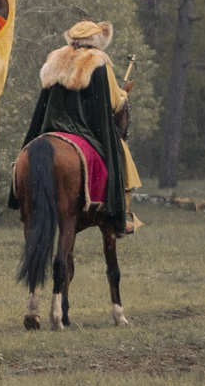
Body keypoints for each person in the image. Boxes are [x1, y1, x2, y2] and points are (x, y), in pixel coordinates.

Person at [19, 19, 142, 236]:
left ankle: (15, 197)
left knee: (25, 153)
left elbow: (45, 102)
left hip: (50, 126)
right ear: (97, 41)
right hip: (84, 130)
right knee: (120, 157)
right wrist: (123, 95)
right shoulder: (98, 62)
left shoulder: (55, 59)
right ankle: (118, 217)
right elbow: (114, 102)